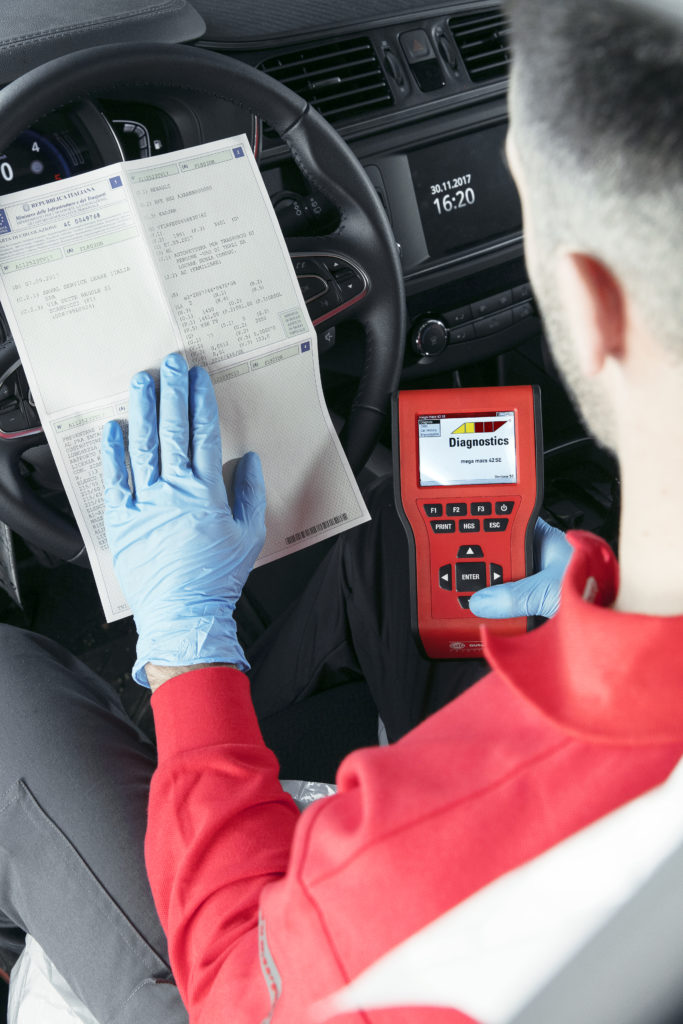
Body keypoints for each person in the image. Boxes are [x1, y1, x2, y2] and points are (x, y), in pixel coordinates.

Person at [0, 1, 681, 1022]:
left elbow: (239, 979)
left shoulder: (409, 870)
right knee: (407, 531)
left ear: (590, 306)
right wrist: (602, 597)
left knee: (9, 687)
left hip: (243, 974)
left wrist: (185, 639)